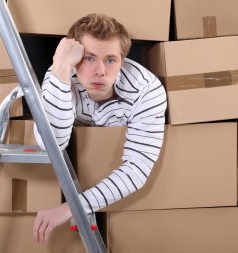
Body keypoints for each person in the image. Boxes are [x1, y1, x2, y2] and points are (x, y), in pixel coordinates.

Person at [33, 13, 167, 244]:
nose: (100, 71)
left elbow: (137, 168)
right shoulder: (60, 75)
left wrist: (72, 207)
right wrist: (61, 67)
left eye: (110, 60)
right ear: (74, 58)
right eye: (89, 58)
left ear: (122, 61)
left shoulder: (147, 90)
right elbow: (50, 145)